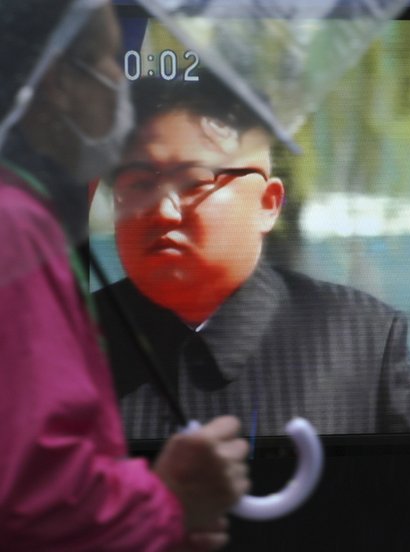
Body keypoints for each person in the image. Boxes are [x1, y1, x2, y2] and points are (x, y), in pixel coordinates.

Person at [0, 2, 250, 549]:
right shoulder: (17, 231)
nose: (124, 82)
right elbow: (36, 496)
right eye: (113, 58)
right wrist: (166, 503)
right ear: (59, 83)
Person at [93, 75, 410, 439]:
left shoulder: (360, 339)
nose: (163, 210)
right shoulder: (67, 340)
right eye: (138, 184)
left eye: (193, 182)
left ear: (267, 203)